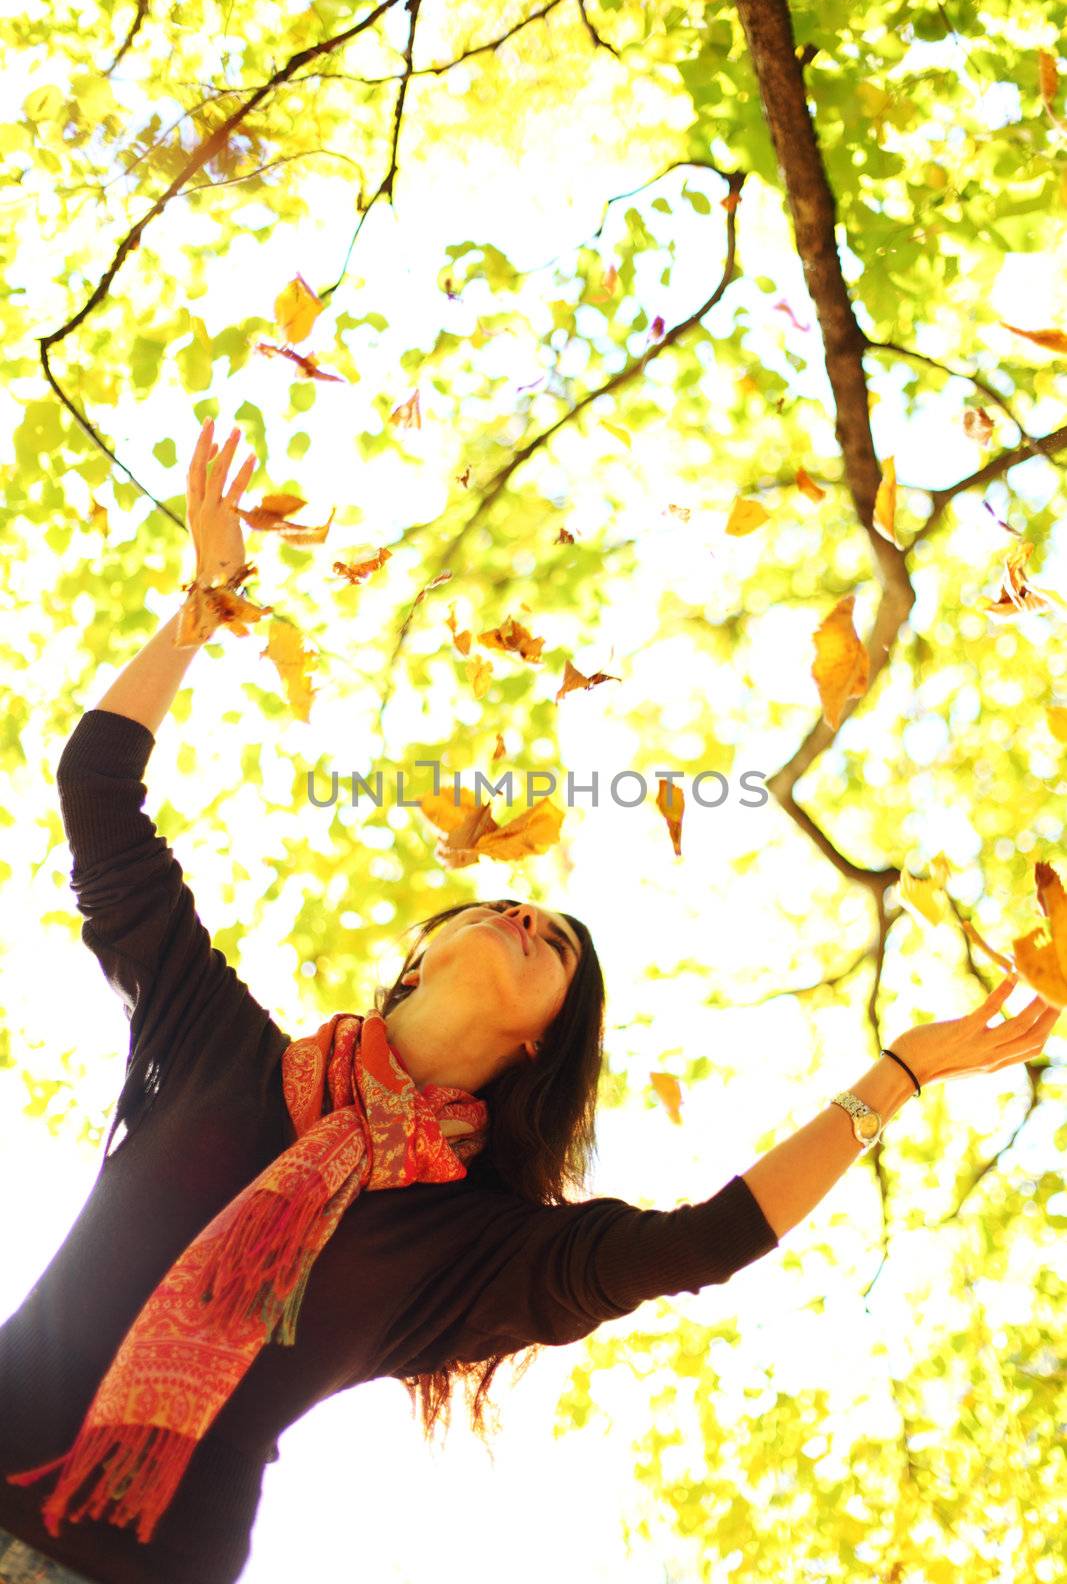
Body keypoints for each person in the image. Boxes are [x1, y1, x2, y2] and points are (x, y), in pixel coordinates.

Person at [0, 421, 1058, 1584]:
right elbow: (96, 791)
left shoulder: (471, 1248)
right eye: (497, 908)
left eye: (555, 944)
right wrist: (204, 604)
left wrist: (895, 1072)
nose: (525, 917)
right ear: (418, 955)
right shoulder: (216, 1048)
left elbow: (705, 1242)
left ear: (542, 1035)